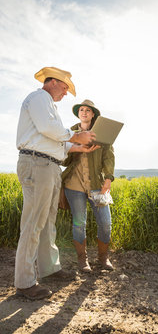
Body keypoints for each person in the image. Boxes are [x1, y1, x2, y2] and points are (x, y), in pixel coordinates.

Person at [15, 67, 97, 300]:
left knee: (46, 221)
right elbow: (48, 129)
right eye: (64, 88)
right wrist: (74, 136)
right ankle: (24, 282)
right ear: (52, 82)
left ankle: (49, 269)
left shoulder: (49, 105)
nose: (65, 94)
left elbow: (54, 140)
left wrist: (79, 147)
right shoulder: (39, 97)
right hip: (37, 163)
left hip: (49, 165)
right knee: (33, 223)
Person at [62, 99, 115, 272]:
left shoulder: (102, 133)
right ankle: (82, 261)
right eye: (81, 110)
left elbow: (108, 156)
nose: (84, 112)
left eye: (87, 110)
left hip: (97, 185)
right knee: (79, 223)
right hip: (73, 185)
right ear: (79, 114)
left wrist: (108, 178)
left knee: (105, 223)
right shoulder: (69, 133)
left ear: (93, 114)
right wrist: (76, 145)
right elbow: (63, 160)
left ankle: (103, 259)